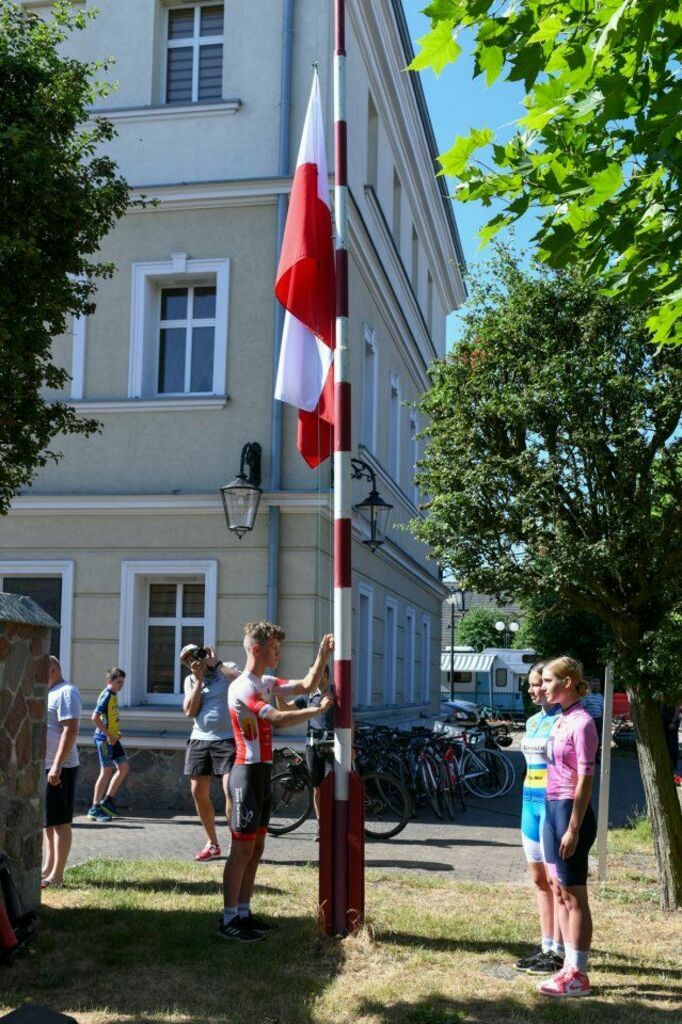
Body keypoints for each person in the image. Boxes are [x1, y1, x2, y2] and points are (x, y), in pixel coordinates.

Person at [220, 623, 334, 942]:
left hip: (262, 772)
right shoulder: (245, 687)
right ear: (256, 650)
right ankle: (228, 919)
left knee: (256, 848)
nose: (278, 654)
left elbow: (308, 682)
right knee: (241, 850)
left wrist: (322, 654)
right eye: (273, 648)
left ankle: (243, 912)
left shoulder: (267, 682)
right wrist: (317, 709)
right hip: (246, 772)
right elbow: (277, 719)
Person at [538, 656, 599, 998]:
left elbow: (585, 780)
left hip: (569, 813)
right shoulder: (559, 720)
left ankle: (579, 975)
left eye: (547, 681)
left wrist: (573, 827)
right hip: (551, 808)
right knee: (559, 890)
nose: (543, 687)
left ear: (568, 681)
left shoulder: (583, 722)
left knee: (574, 894)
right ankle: (567, 966)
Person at [514, 662, 564, 975]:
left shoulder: (564, 721)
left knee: (556, 883)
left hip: (550, 805)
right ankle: (545, 945)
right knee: (538, 880)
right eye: (531, 685)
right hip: (527, 805)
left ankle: (560, 950)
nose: (535, 690)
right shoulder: (533, 721)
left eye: (540, 684)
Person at [181, 644, 241, 862]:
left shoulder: (226, 668)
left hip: (227, 739)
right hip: (200, 739)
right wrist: (198, 680)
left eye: (195, 656)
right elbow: (189, 711)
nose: (192, 662)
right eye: (186, 661)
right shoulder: (190, 680)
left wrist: (215, 664)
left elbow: (243, 681)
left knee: (230, 790)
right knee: (198, 791)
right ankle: (212, 843)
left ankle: (237, 841)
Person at [41, 656, 82, 889]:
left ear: (53, 669)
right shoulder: (50, 691)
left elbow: (70, 730)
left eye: (41, 671)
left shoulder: (67, 692)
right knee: (48, 822)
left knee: (60, 822)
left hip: (61, 768)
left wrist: (57, 765)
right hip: (46, 766)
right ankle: (48, 868)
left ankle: (57, 876)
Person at [88, 668, 129, 821]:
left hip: (113, 738)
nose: (121, 685)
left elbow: (110, 717)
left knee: (123, 767)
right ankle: (95, 808)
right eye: (118, 682)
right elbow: (95, 718)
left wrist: (115, 732)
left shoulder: (113, 695)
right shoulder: (106, 695)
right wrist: (108, 735)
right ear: (109, 681)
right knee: (106, 771)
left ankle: (108, 801)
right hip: (104, 740)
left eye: (123, 682)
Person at [302, 665, 334, 841]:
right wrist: (277, 695)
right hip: (312, 746)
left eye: (316, 673)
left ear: (326, 675)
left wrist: (350, 746)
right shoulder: (308, 695)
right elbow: (287, 708)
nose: (312, 676)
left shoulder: (335, 694)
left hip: (331, 748)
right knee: (317, 788)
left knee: (331, 787)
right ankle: (321, 826)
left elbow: (350, 721)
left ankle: (333, 824)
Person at [581, 678, 605, 760]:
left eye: (597, 685)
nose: (596, 687)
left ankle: (596, 756)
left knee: (597, 739)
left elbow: (603, 709)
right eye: (594, 685)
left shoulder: (601, 697)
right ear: (591, 685)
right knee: (588, 739)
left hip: (598, 720)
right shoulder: (586, 695)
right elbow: (583, 708)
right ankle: (587, 756)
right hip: (589, 721)